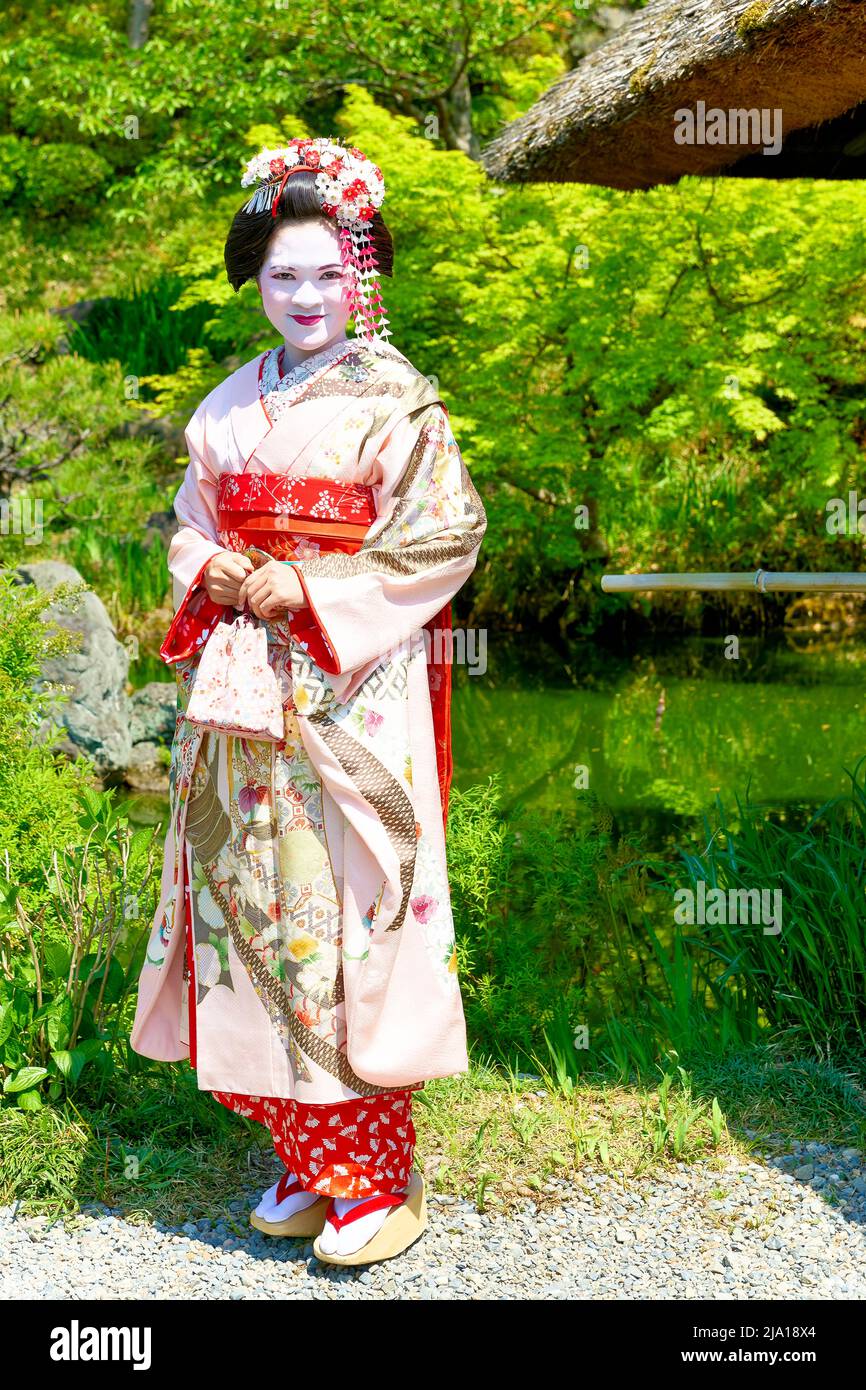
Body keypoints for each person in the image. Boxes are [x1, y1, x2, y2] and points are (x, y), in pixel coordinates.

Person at [129, 137, 487, 1267]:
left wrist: (309, 584)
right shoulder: (227, 404)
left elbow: (443, 534)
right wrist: (216, 570)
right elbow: (189, 520)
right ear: (257, 279)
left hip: (346, 688)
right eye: (282, 274)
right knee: (246, 898)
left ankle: (373, 1177)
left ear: (360, 275)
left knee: (338, 912)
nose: (303, 296)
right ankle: (303, 1152)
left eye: (326, 274)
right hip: (241, 691)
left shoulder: (402, 401)